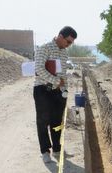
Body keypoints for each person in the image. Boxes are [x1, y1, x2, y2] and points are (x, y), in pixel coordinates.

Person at [33, 26, 77, 163]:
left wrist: (64, 90)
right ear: (60, 36)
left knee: (57, 122)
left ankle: (57, 149)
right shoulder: (44, 48)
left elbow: (63, 74)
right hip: (43, 90)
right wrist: (57, 81)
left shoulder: (64, 52)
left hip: (58, 92)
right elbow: (39, 69)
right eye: (68, 42)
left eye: (71, 43)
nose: (69, 45)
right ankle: (45, 151)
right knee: (43, 122)